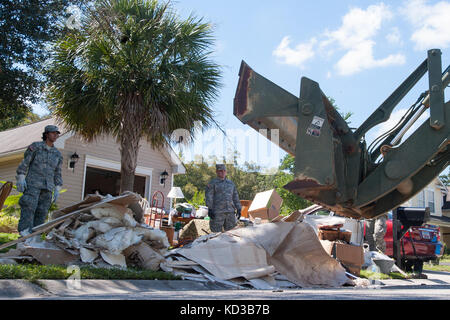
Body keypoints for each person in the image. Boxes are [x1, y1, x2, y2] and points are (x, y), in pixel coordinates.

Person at [16, 125, 63, 237]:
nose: (55, 135)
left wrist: (57, 187)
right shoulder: (35, 147)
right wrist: (21, 176)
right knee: (29, 208)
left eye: (57, 133)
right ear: (46, 134)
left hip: (47, 188)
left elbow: (58, 172)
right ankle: (24, 235)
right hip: (33, 185)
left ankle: (36, 237)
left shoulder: (57, 154)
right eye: (53, 133)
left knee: (42, 213)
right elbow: (25, 162)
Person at [205, 164, 242, 232]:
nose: (222, 172)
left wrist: (239, 208)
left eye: (224, 171)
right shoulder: (212, 183)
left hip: (230, 213)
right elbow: (209, 197)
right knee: (215, 234)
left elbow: (235, 197)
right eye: (220, 171)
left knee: (231, 234)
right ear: (216, 171)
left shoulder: (231, 183)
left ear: (226, 172)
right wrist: (210, 209)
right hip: (217, 213)